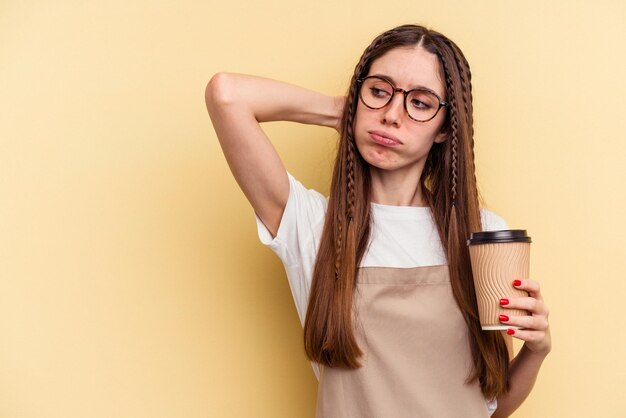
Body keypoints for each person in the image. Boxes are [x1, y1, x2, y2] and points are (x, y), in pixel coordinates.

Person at [205, 24, 551, 418]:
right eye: (379, 91)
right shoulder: (312, 224)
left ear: (445, 128)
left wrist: (537, 350)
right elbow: (226, 94)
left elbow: (492, 406)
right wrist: (348, 111)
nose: (392, 116)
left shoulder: (482, 231)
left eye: (420, 104)